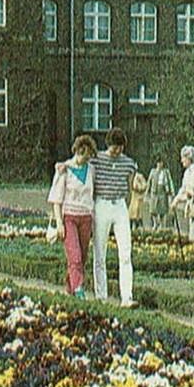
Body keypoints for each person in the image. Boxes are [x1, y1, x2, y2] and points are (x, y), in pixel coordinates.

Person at [90, 128, 140, 306]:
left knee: (125, 252)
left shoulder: (128, 163)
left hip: (119, 205)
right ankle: (101, 296)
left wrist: (132, 198)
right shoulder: (97, 159)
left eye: (120, 148)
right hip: (101, 204)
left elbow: (135, 182)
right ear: (108, 146)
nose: (117, 152)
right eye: (114, 149)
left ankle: (127, 296)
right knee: (99, 253)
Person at [47, 135, 97, 297]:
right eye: (84, 155)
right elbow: (56, 199)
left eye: (89, 156)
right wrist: (59, 223)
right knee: (74, 255)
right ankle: (78, 289)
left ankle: (70, 286)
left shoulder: (91, 170)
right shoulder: (64, 169)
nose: (86, 159)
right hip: (70, 217)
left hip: (86, 218)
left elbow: (93, 194)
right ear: (77, 151)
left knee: (82, 257)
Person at [144, 158, 175, 233]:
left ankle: (162, 225)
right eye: (159, 163)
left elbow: (170, 181)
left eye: (161, 163)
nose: (160, 164)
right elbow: (149, 182)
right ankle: (155, 223)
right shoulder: (153, 171)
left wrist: (172, 191)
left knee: (162, 209)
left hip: (163, 191)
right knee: (153, 209)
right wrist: (146, 192)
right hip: (154, 192)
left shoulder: (166, 172)